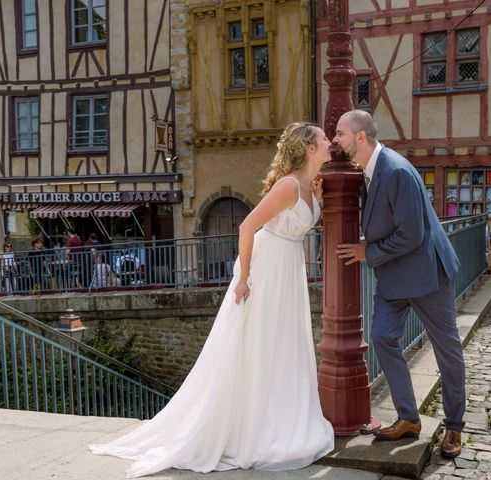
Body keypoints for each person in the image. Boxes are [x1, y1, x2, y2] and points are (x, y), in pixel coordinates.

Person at [89, 122, 334, 477]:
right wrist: (244, 279)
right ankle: (253, 428)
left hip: (289, 270)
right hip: (267, 269)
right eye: (324, 138)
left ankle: (285, 418)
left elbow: (298, 226)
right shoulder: (288, 186)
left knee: (285, 344)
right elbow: (247, 226)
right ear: (310, 148)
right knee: (260, 344)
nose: (329, 142)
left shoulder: (311, 186)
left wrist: (320, 198)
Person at [334, 110, 465, 458]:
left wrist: (367, 251)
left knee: (447, 351)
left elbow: (413, 234)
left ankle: (454, 426)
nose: (336, 139)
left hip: (427, 275)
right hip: (394, 275)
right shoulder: (367, 171)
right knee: (382, 336)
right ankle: (408, 418)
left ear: (360, 137)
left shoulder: (397, 171)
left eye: (340, 133)